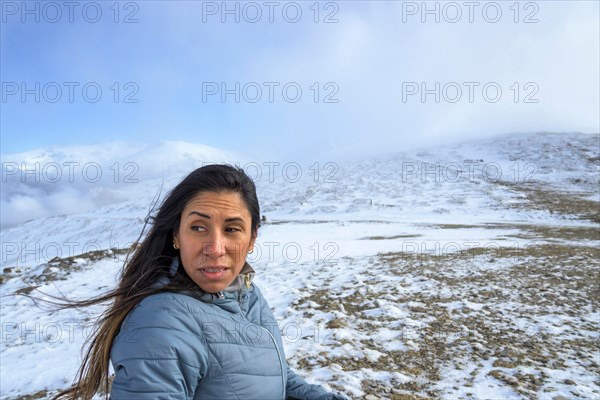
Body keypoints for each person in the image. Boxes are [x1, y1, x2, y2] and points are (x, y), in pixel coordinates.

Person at [53, 164, 346, 400]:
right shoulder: (162, 324)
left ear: (252, 238)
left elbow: (272, 374)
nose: (215, 247)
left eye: (232, 229)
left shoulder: (245, 292)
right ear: (176, 236)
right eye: (198, 227)